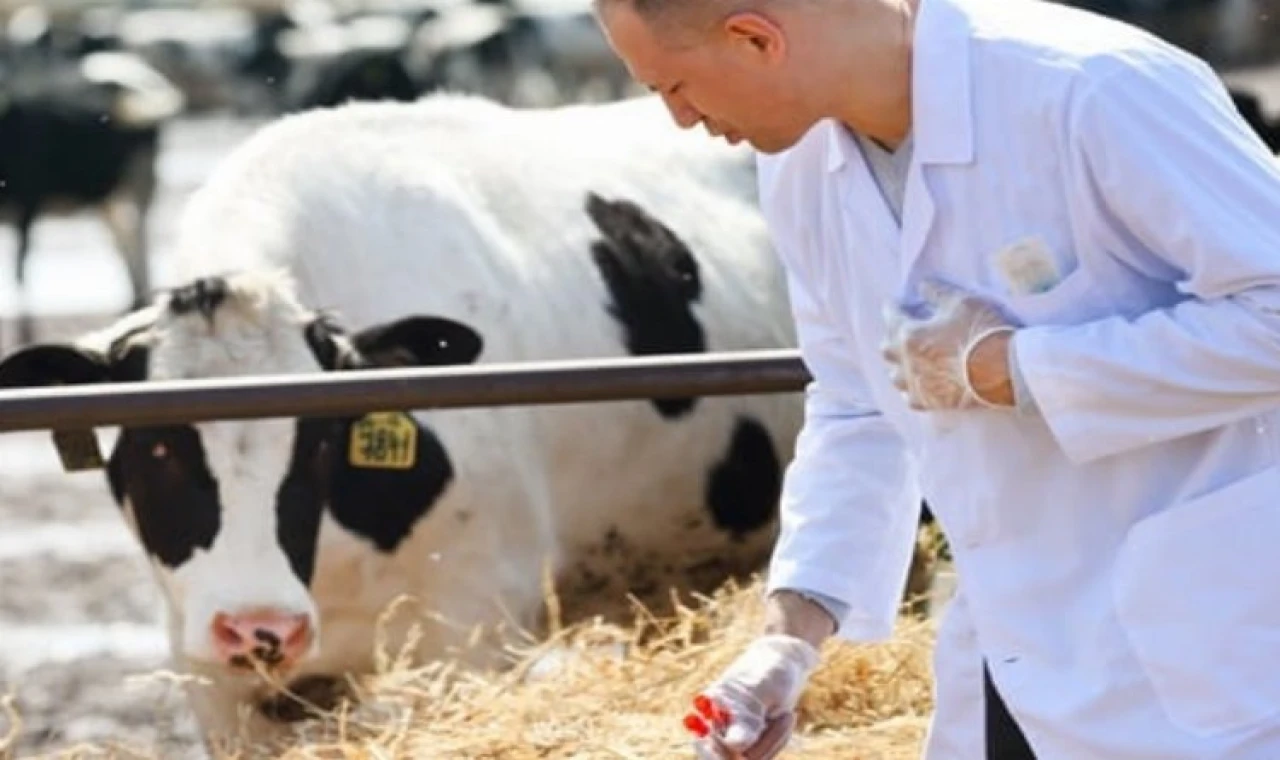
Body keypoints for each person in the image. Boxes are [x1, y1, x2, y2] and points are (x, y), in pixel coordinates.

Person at [592, 0, 1280, 757]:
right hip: (1012, 654)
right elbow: (859, 402)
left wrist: (1018, 368)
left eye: (673, 87)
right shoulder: (798, 163)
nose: (681, 119)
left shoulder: (1092, 87)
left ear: (756, 37)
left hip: (1211, 653)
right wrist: (790, 641)